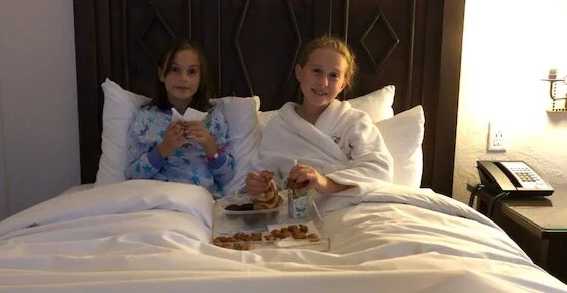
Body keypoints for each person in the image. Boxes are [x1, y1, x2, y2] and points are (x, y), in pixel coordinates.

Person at [245, 35, 393, 198]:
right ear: (299, 73)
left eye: (334, 75)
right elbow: (268, 176)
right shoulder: (278, 127)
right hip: (298, 207)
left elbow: (380, 169)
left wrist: (326, 183)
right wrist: (261, 185)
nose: (323, 82)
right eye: (316, 71)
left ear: (343, 84)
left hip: (349, 202)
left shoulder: (355, 122)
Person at [125, 38, 235, 197]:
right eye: (175, 69)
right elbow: (131, 175)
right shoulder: (144, 118)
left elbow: (227, 176)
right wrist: (163, 149)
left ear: (201, 78)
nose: (183, 78)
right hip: (158, 199)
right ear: (161, 74)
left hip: (199, 200)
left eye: (192, 72)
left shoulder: (214, 118)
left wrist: (210, 145)